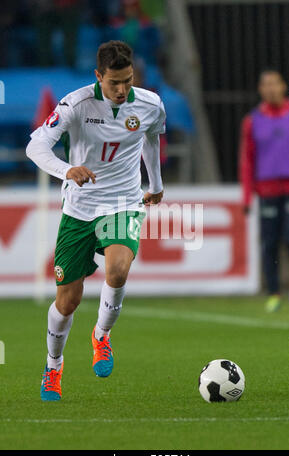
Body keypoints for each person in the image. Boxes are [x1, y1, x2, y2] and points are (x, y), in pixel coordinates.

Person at [26, 40, 166, 401]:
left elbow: (150, 140)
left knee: (117, 270)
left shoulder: (150, 104)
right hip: (79, 209)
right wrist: (67, 170)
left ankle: (101, 336)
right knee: (66, 303)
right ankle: (53, 367)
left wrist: (156, 184)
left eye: (128, 81)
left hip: (123, 201)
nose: (121, 90)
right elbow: (36, 146)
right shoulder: (75, 104)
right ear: (98, 76)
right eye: (114, 83)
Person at [239, 69, 289, 313]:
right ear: (260, 90)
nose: (271, 88)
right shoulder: (252, 121)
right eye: (266, 84)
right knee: (269, 242)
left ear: (284, 87)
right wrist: (246, 195)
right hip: (267, 190)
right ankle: (274, 292)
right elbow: (247, 160)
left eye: (275, 83)